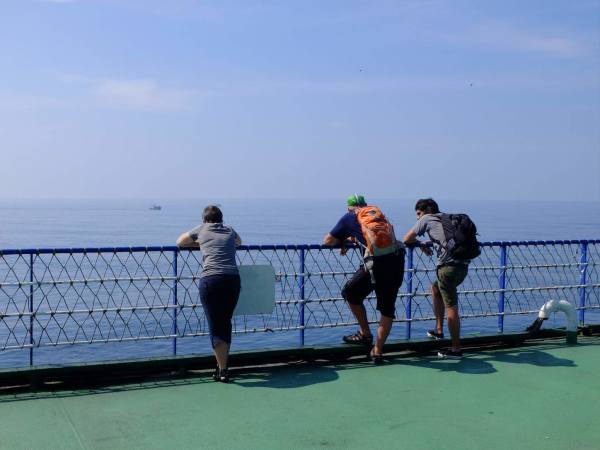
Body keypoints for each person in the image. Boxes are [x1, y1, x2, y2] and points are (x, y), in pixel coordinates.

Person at [323, 194, 405, 364]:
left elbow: (328, 241)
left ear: (349, 208)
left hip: (375, 265)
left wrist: (344, 240)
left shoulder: (349, 217)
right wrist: (353, 238)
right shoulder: (378, 216)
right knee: (387, 308)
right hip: (396, 262)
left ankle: (365, 334)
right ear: (366, 206)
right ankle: (377, 350)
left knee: (350, 292)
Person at [176, 205, 242, 382]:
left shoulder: (202, 229)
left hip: (211, 280)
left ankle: (223, 371)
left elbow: (180, 242)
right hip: (232, 280)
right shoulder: (229, 229)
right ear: (221, 219)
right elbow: (239, 242)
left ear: (204, 219)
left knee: (215, 325)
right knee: (225, 322)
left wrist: (199, 242)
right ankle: (221, 365)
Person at [403, 198, 469, 359]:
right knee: (435, 288)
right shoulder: (448, 218)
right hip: (463, 266)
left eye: (419, 213)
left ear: (428, 210)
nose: (418, 218)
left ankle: (456, 349)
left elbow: (406, 239)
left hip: (447, 268)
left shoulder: (427, 219)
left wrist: (419, 243)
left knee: (451, 307)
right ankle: (439, 330)